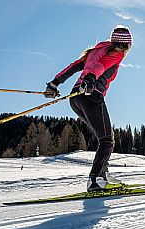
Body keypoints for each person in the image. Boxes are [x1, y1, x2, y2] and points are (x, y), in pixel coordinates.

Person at [44, 25, 132, 192]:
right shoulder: (116, 53)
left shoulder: (95, 50)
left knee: (105, 138)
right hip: (91, 95)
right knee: (107, 140)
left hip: (76, 98)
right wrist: (90, 78)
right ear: (126, 44)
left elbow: (74, 66)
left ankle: (103, 175)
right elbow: (100, 66)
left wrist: (55, 83)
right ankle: (95, 180)